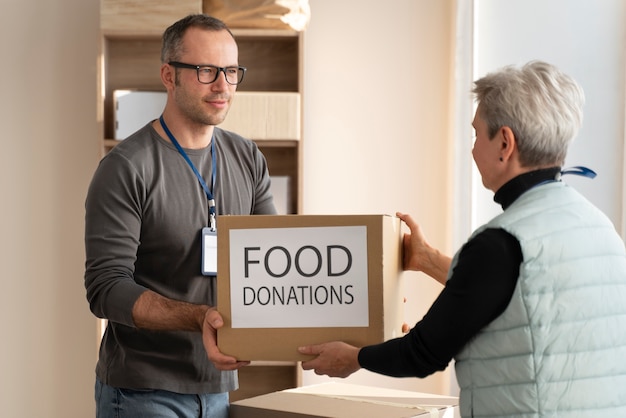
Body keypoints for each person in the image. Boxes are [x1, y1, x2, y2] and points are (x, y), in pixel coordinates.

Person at [297, 61, 626, 417]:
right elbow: (519, 297)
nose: (472, 150)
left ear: (504, 142)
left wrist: (354, 358)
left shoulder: (500, 243)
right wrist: (425, 259)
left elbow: (423, 352)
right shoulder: (598, 227)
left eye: (475, 134)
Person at [84, 14, 276, 418]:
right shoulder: (126, 167)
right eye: (206, 71)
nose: (223, 85)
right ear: (169, 76)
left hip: (220, 389)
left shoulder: (248, 158)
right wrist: (200, 318)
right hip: (142, 392)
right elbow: (106, 288)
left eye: (231, 71)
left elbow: (272, 262)